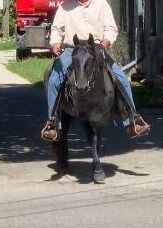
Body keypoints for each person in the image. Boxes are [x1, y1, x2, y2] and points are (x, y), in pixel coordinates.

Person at [40, 0, 151, 141]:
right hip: (73, 50)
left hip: (96, 49)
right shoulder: (65, 7)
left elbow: (110, 27)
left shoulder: (102, 4)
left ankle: (133, 121)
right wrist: (55, 42)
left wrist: (108, 39)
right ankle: (52, 123)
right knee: (54, 79)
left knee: (121, 78)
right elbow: (56, 29)